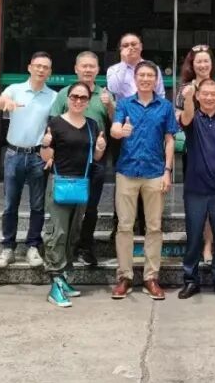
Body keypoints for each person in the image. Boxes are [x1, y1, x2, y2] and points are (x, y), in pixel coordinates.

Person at [109, 61, 177, 300]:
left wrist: (168, 171)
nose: (146, 79)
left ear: (156, 80)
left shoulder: (165, 106)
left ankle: (151, 277)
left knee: (154, 227)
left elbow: (170, 140)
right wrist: (119, 131)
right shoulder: (125, 104)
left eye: (150, 75)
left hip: (155, 172)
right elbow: (114, 129)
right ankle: (124, 276)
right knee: (124, 226)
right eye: (142, 75)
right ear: (135, 79)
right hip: (127, 171)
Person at [39, 81, 106, 307]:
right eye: (74, 97)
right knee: (57, 233)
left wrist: (100, 148)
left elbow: (95, 158)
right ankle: (55, 283)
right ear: (67, 99)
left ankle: (64, 278)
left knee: (72, 233)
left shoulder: (92, 125)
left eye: (83, 98)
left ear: (88, 101)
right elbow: (46, 156)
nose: (78, 101)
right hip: (60, 183)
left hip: (80, 184)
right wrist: (45, 145)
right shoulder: (56, 124)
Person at [0, 52, 57, 268]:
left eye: (45, 67)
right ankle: (7, 247)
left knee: (37, 205)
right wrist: (6, 102)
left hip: (38, 156)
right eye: (38, 66)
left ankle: (33, 246)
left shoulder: (53, 96)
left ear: (49, 72)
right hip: (14, 155)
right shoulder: (15, 89)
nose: (41, 70)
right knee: (10, 204)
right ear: (30, 67)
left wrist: (51, 152)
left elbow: (55, 127)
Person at [50, 51, 115, 266]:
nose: (88, 70)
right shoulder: (65, 94)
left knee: (91, 206)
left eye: (92, 66)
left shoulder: (104, 94)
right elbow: (53, 125)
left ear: (98, 70)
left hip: (95, 158)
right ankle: (62, 247)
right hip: (67, 161)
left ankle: (85, 247)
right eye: (84, 66)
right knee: (65, 204)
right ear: (76, 69)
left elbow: (115, 123)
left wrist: (110, 105)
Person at [177, 78, 215, 300]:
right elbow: (185, 117)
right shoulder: (192, 118)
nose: (209, 97)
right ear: (198, 96)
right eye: (205, 93)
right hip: (195, 189)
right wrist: (187, 98)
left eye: (214, 94)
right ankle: (190, 280)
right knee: (194, 237)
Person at [175, 45, 215, 260]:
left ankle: (209, 244)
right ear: (193, 64)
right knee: (196, 202)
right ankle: (195, 243)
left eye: (206, 61)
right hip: (194, 152)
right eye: (198, 61)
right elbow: (179, 117)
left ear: (211, 64)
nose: (202, 65)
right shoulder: (184, 89)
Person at [105, 33, 160, 239]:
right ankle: (119, 222)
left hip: (149, 126)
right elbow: (114, 88)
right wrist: (124, 63)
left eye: (134, 44)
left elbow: (160, 95)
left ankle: (146, 223)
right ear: (120, 49)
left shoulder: (152, 69)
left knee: (148, 175)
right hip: (123, 126)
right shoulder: (114, 70)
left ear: (141, 46)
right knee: (124, 176)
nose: (131, 48)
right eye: (126, 45)